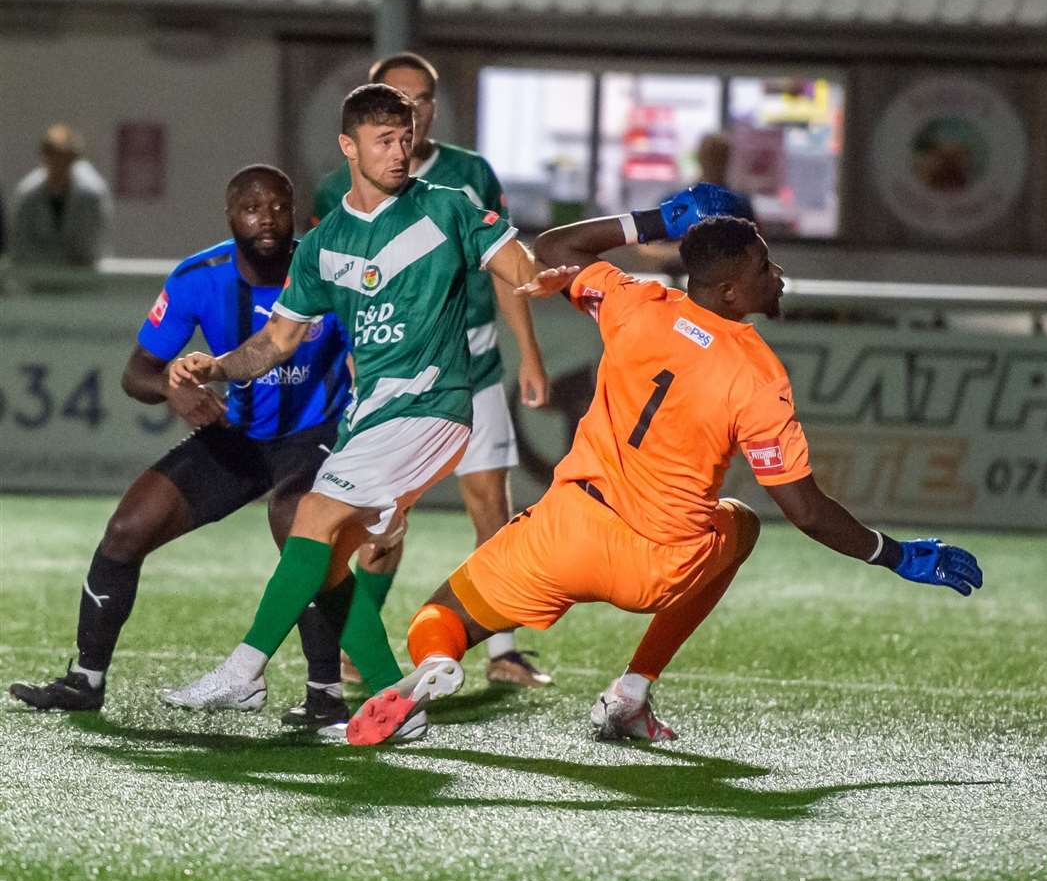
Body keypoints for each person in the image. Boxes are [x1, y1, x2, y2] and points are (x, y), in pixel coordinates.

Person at [345, 204, 983, 748]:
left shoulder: (634, 302)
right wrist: (893, 554)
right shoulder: (759, 374)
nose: (777, 274)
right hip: (662, 561)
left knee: (443, 615)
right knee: (738, 523)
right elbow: (806, 510)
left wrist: (653, 219)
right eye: (765, 266)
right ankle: (632, 690)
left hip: (569, 531)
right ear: (730, 292)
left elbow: (552, 247)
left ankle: (433, 666)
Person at [157, 84, 576, 728]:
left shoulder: (446, 207)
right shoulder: (325, 244)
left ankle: (242, 672)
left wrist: (547, 278)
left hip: (432, 406)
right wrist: (214, 365)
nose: (400, 152)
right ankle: (392, 700)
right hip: (369, 417)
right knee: (325, 565)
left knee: (314, 514)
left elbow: (513, 262)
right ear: (348, 147)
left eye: (406, 138)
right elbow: (276, 341)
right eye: (385, 140)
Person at [8, 165, 357, 728]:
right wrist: (175, 389)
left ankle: (325, 694)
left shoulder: (328, 270)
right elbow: (136, 374)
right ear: (229, 214)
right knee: (126, 529)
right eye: (251, 207)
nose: (265, 218)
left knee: (299, 528)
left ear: (293, 211)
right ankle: (85, 680)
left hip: (316, 433)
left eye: (277, 207)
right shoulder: (199, 276)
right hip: (239, 436)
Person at [311, 51, 552, 688]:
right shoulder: (337, 191)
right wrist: (357, 362)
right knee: (379, 520)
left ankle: (502, 648)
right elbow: (332, 289)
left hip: (471, 362)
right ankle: (358, 644)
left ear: (434, 108)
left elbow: (507, 270)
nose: (410, 109)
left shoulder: (467, 176)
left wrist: (528, 354)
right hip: (390, 376)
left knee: (489, 505)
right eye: (396, 97)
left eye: (420, 99)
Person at [9, 124, 113, 266]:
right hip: (38, 282)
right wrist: (57, 261)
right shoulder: (28, 194)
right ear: (44, 158)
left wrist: (55, 258)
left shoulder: (92, 195)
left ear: (74, 159)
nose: (58, 165)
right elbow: (20, 248)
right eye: (53, 157)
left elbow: (90, 248)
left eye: (65, 159)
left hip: (82, 282)